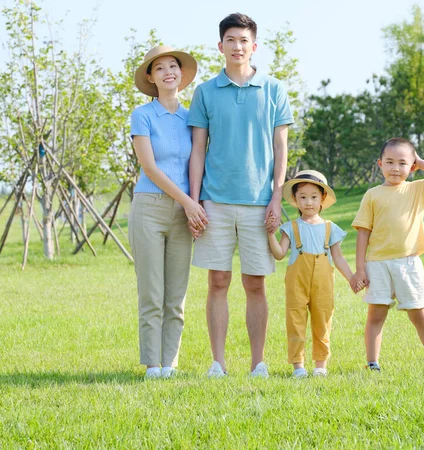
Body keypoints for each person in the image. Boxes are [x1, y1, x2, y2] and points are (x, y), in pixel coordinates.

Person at [188, 13, 293, 378]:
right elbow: (198, 150)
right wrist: (194, 199)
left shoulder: (274, 89)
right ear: (221, 46)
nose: (237, 46)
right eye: (230, 40)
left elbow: (282, 151)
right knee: (217, 282)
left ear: (254, 46)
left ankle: (258, 363)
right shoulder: (204, 92)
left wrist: (277, 197)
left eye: (243, 40)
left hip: (260, 202)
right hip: (214, 201)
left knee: (255, 284)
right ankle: (217, 363)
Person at [128, 45, 208, 378]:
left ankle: (170, 364)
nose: (167, 72)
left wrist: (195, 205)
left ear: (182, 74)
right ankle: (152, 365)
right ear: (151, 77)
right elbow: (150, 166)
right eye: (158, 68)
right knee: (152, 292)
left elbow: (198, 163)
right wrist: (188, 201)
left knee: (176, 294)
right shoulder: (142, 116)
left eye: (173, 66)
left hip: (184, 213)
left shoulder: (193, 118)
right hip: (149, 208)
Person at [351, 138, 424, 372]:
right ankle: (372, 363)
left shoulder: (417, 189)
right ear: (380, 164)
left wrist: (421, 162)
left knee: (419, 314)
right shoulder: (372, 195)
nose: (395, 168)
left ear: (412, 166)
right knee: (376, 315)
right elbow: (363, 234)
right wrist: (360, 268)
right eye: (389, 162)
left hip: (408, 263)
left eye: (402, 163)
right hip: (377, 264)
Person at [267, 170, 361, 378]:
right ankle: (298, 366)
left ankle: (320, 366)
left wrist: (352, 278)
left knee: (323, 322)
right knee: (295, 322)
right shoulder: (290, 228)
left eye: (314, 197)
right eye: (303, 197)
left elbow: (338, 258)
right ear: (295, 200)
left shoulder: (330, 228)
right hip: (296, 285)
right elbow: (280, 254)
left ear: (322, 199)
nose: (308, 202)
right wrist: (270, 235)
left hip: (323, 285)